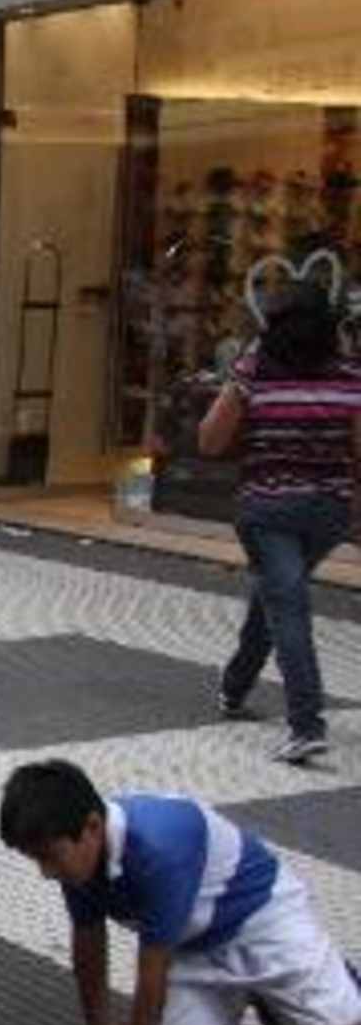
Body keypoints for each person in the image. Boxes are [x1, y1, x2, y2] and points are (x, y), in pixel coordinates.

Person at [0, 759, 361, 1025]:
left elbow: (151, 974)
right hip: (193, 942)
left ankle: (337, 981)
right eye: (36, 859)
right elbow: (88, 951)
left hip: (260, 920)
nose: (46, 872)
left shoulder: (158, 847)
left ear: (91, 827)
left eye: (50, 856)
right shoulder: (76, 855)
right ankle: (249, 999)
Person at [198, 279, 361, 767]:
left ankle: (306, 726)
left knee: (287, 604)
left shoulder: (255, 371)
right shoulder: (350, 378)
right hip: (328, 513)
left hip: (269, 510)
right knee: (277, 591)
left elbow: (209, 440)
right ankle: (234, 687)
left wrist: (240, 380)